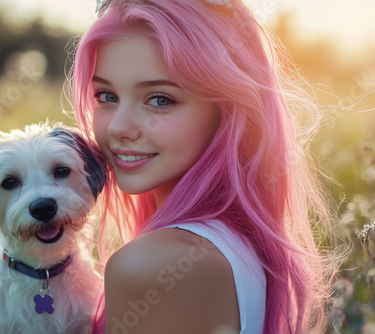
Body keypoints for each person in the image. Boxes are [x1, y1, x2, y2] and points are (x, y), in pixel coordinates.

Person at [68, 0, 338, 333]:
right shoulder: (235, 243)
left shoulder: (154, 265)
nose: (118, 127)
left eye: (160, 99)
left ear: (225, 111)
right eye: (106, 95)